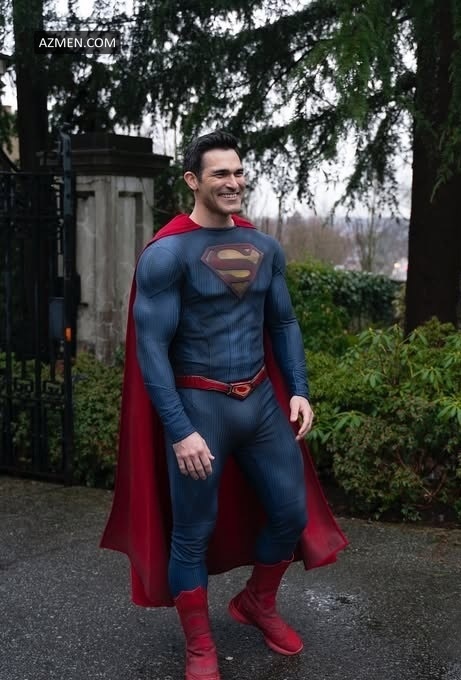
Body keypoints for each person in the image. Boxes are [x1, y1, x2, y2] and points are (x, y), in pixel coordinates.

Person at [101, 130, 348, 680]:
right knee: (193, 530)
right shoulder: (167, 255)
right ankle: (198, 645)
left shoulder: (264, 247)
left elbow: (282, 321)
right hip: (199, 409)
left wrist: (299, 388)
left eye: (238, 172)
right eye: (220, 173)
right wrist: (179, 430)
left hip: (259, 403)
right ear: (193, 180)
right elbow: (150, 349)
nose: (234, 182)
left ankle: (257, 601)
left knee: (290, 513)